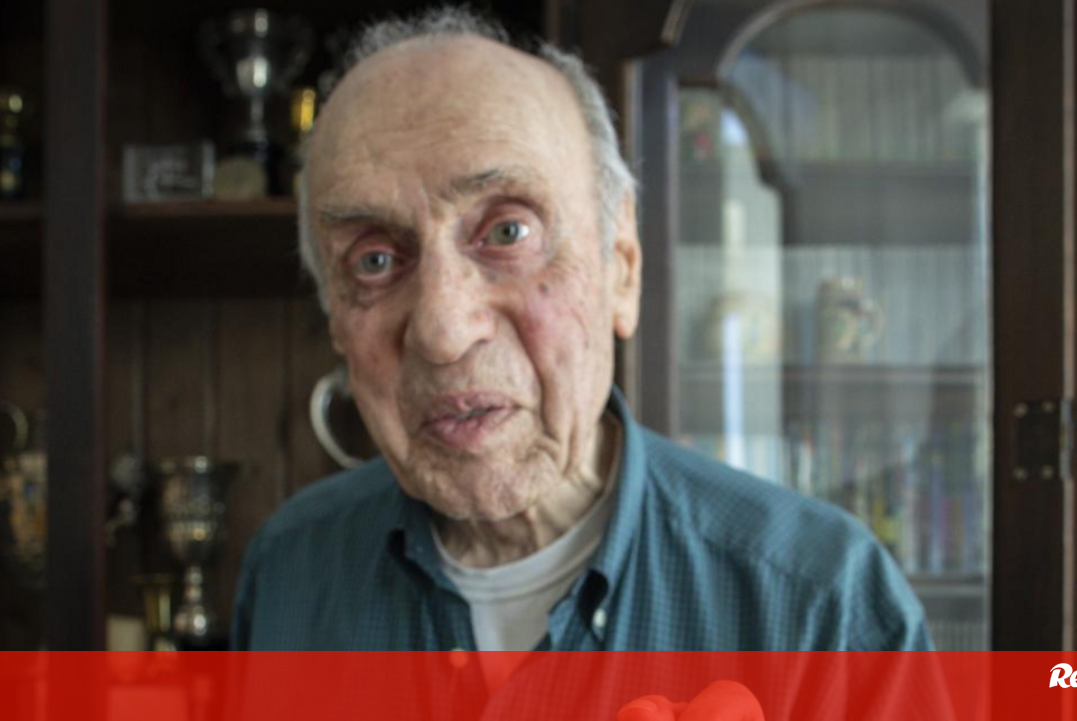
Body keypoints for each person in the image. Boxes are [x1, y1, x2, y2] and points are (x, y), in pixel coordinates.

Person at [231, 6, 931, 660]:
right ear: (335, 318)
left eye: (508, 232)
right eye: (375, 261)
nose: (444, 332)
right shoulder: (289, 573)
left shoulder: (824, 609)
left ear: (621, 267)